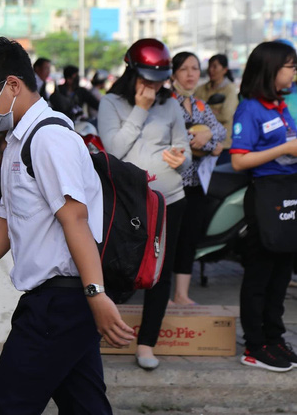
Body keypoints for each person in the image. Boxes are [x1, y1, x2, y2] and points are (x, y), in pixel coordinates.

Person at [0, 37, 134, 414]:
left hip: (59, 302)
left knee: (6, 407)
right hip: (57, 302)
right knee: (86, 406)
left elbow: (74, 218)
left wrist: (96, 295)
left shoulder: (48, 139)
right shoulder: (19, 139)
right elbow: (8, 219)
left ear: (13, 85)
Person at [97, 38, 191, 370]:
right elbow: (114, 149)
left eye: (160, 79)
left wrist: (181, 155)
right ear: (131, 71)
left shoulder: (171, 104)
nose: (155, 85)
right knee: (114, 264)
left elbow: (184, 143)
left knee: (160, 272)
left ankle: (147, 343)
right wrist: (141, 109)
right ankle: (98, 332)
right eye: (147, 78)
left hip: (170, 200)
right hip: (128, 202)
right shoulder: (111, 103)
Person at [230, 41, 297, 372]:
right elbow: (240, 161)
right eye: (290, 66)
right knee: (260, 272)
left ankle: (274, 337)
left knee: (281, 272)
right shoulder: (250, 109)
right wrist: (286, 147)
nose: (294, 72)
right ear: (271, 70)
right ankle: (254, 345)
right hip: (265, 195)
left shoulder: (281, 107)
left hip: (287, 193)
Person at [170, 52, 226, 306]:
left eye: (195, 68)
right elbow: (176, 139)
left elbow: (220, 133)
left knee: (189, 238)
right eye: (184, 69)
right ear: (173, 74)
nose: (191, 74)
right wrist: (202, 142)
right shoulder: (166, 103)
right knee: (168, 240)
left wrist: (207, 141)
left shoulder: (200, 105)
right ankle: (160, 295)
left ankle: (181, 295)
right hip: (171, 185)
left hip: (195, 184)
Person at [194, 54, 239, 163]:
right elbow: (192, 111)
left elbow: (225, 115)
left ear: (224, 70)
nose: (211, 70)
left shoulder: (230, 89)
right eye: (209, 66)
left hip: (223, 144)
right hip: (202, 143)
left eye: (215, 67)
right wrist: (213, 111)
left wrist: (205, 111)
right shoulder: (201, 88)